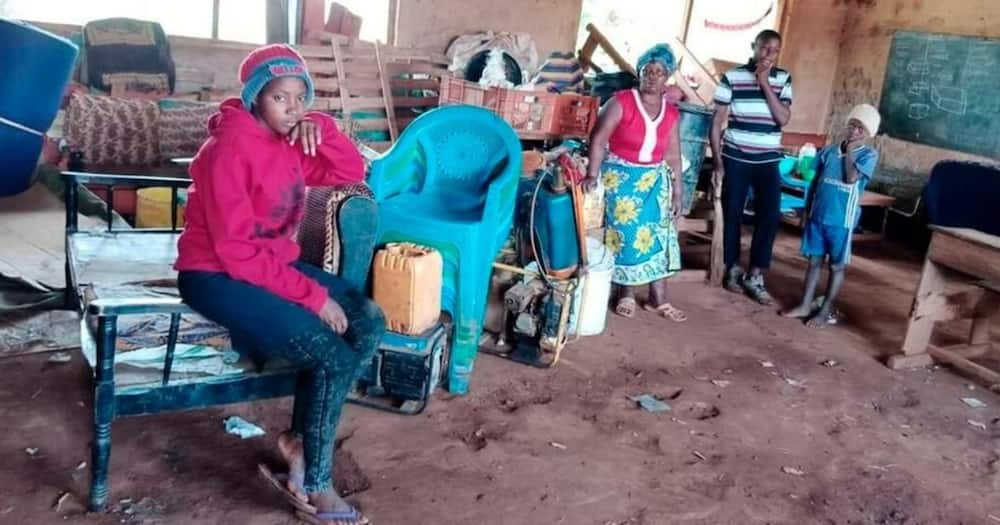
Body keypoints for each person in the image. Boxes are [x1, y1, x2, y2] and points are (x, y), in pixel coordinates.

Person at [174, 44, 383, 525]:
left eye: (299, 97)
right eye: (278, 98)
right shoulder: (227, 149)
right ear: (254, 99)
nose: (291, 108)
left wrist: (323, 129)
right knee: (332, 353)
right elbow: (235, 251)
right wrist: (312, 296)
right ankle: (313, 482)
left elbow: (351, 172)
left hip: (264, 264)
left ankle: (298, 441)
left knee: (368, 321)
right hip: (215, 274)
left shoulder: (289, 141)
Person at [584, 43, 687, 323]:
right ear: (639, 73)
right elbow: (598, 139)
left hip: (654, 179)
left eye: (659, 72)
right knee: (627, 234)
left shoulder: (672, 113)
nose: (652, 76)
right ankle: (626, 293)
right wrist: (593, 175)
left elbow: (674, 155)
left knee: (662, 234)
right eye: (647, 71)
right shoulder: (622, 102)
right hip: (621, 177)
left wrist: (678, 191)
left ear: (667, 78)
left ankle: (659, 299)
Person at [710, 29, 793, 305]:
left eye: (774, 50)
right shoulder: (731, 77)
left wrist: (764, 83)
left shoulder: (783, 79)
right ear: (753, 47)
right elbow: (717, 122)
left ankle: (755, 275)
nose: (768, 54)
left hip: (768, 160)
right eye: (764, 48)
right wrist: (718, 162)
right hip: (736, 157)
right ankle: (732, 268)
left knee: (769, 217)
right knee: (732, 213)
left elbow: (782, 119)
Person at [781, 104, 881, 327]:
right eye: (853, 125)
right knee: (814, 261)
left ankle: (825, 311)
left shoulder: (868, 155)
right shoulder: (827, 151)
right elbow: (814, 184)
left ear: (869, 134)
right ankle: (805, 304)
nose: (855, 131)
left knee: (836, 266)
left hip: (841, 221)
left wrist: (849, 152)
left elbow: (850, 179)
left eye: (861, 129)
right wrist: (806, 211)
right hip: (818, 216)